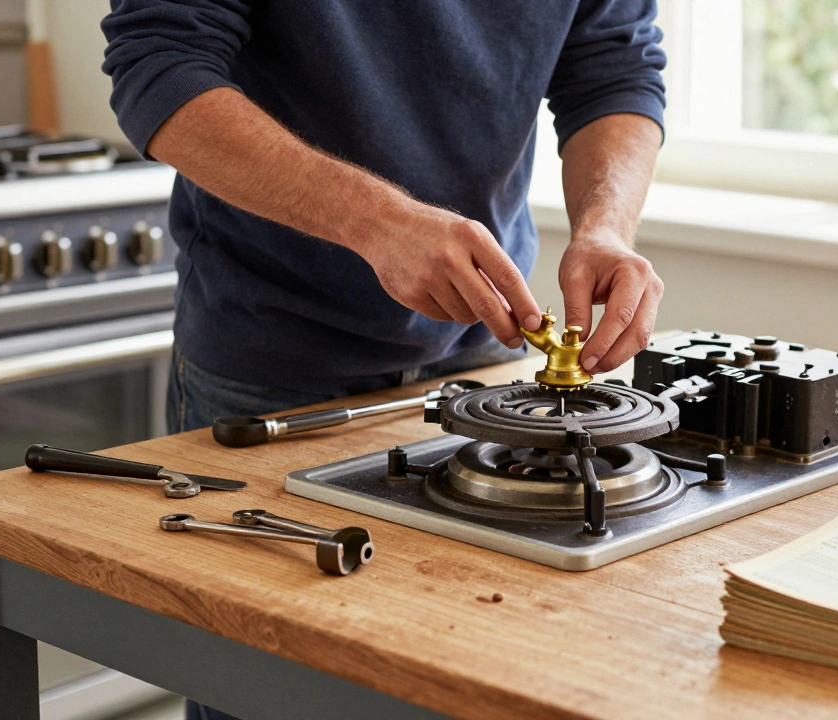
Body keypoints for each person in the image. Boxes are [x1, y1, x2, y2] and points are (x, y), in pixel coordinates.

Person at [102, 0, 663, 711]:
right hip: (273, 367)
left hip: (481, 366)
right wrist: (376, 223)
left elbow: (614, 69)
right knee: (271, 695)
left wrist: (608, 227)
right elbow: (159, 68)